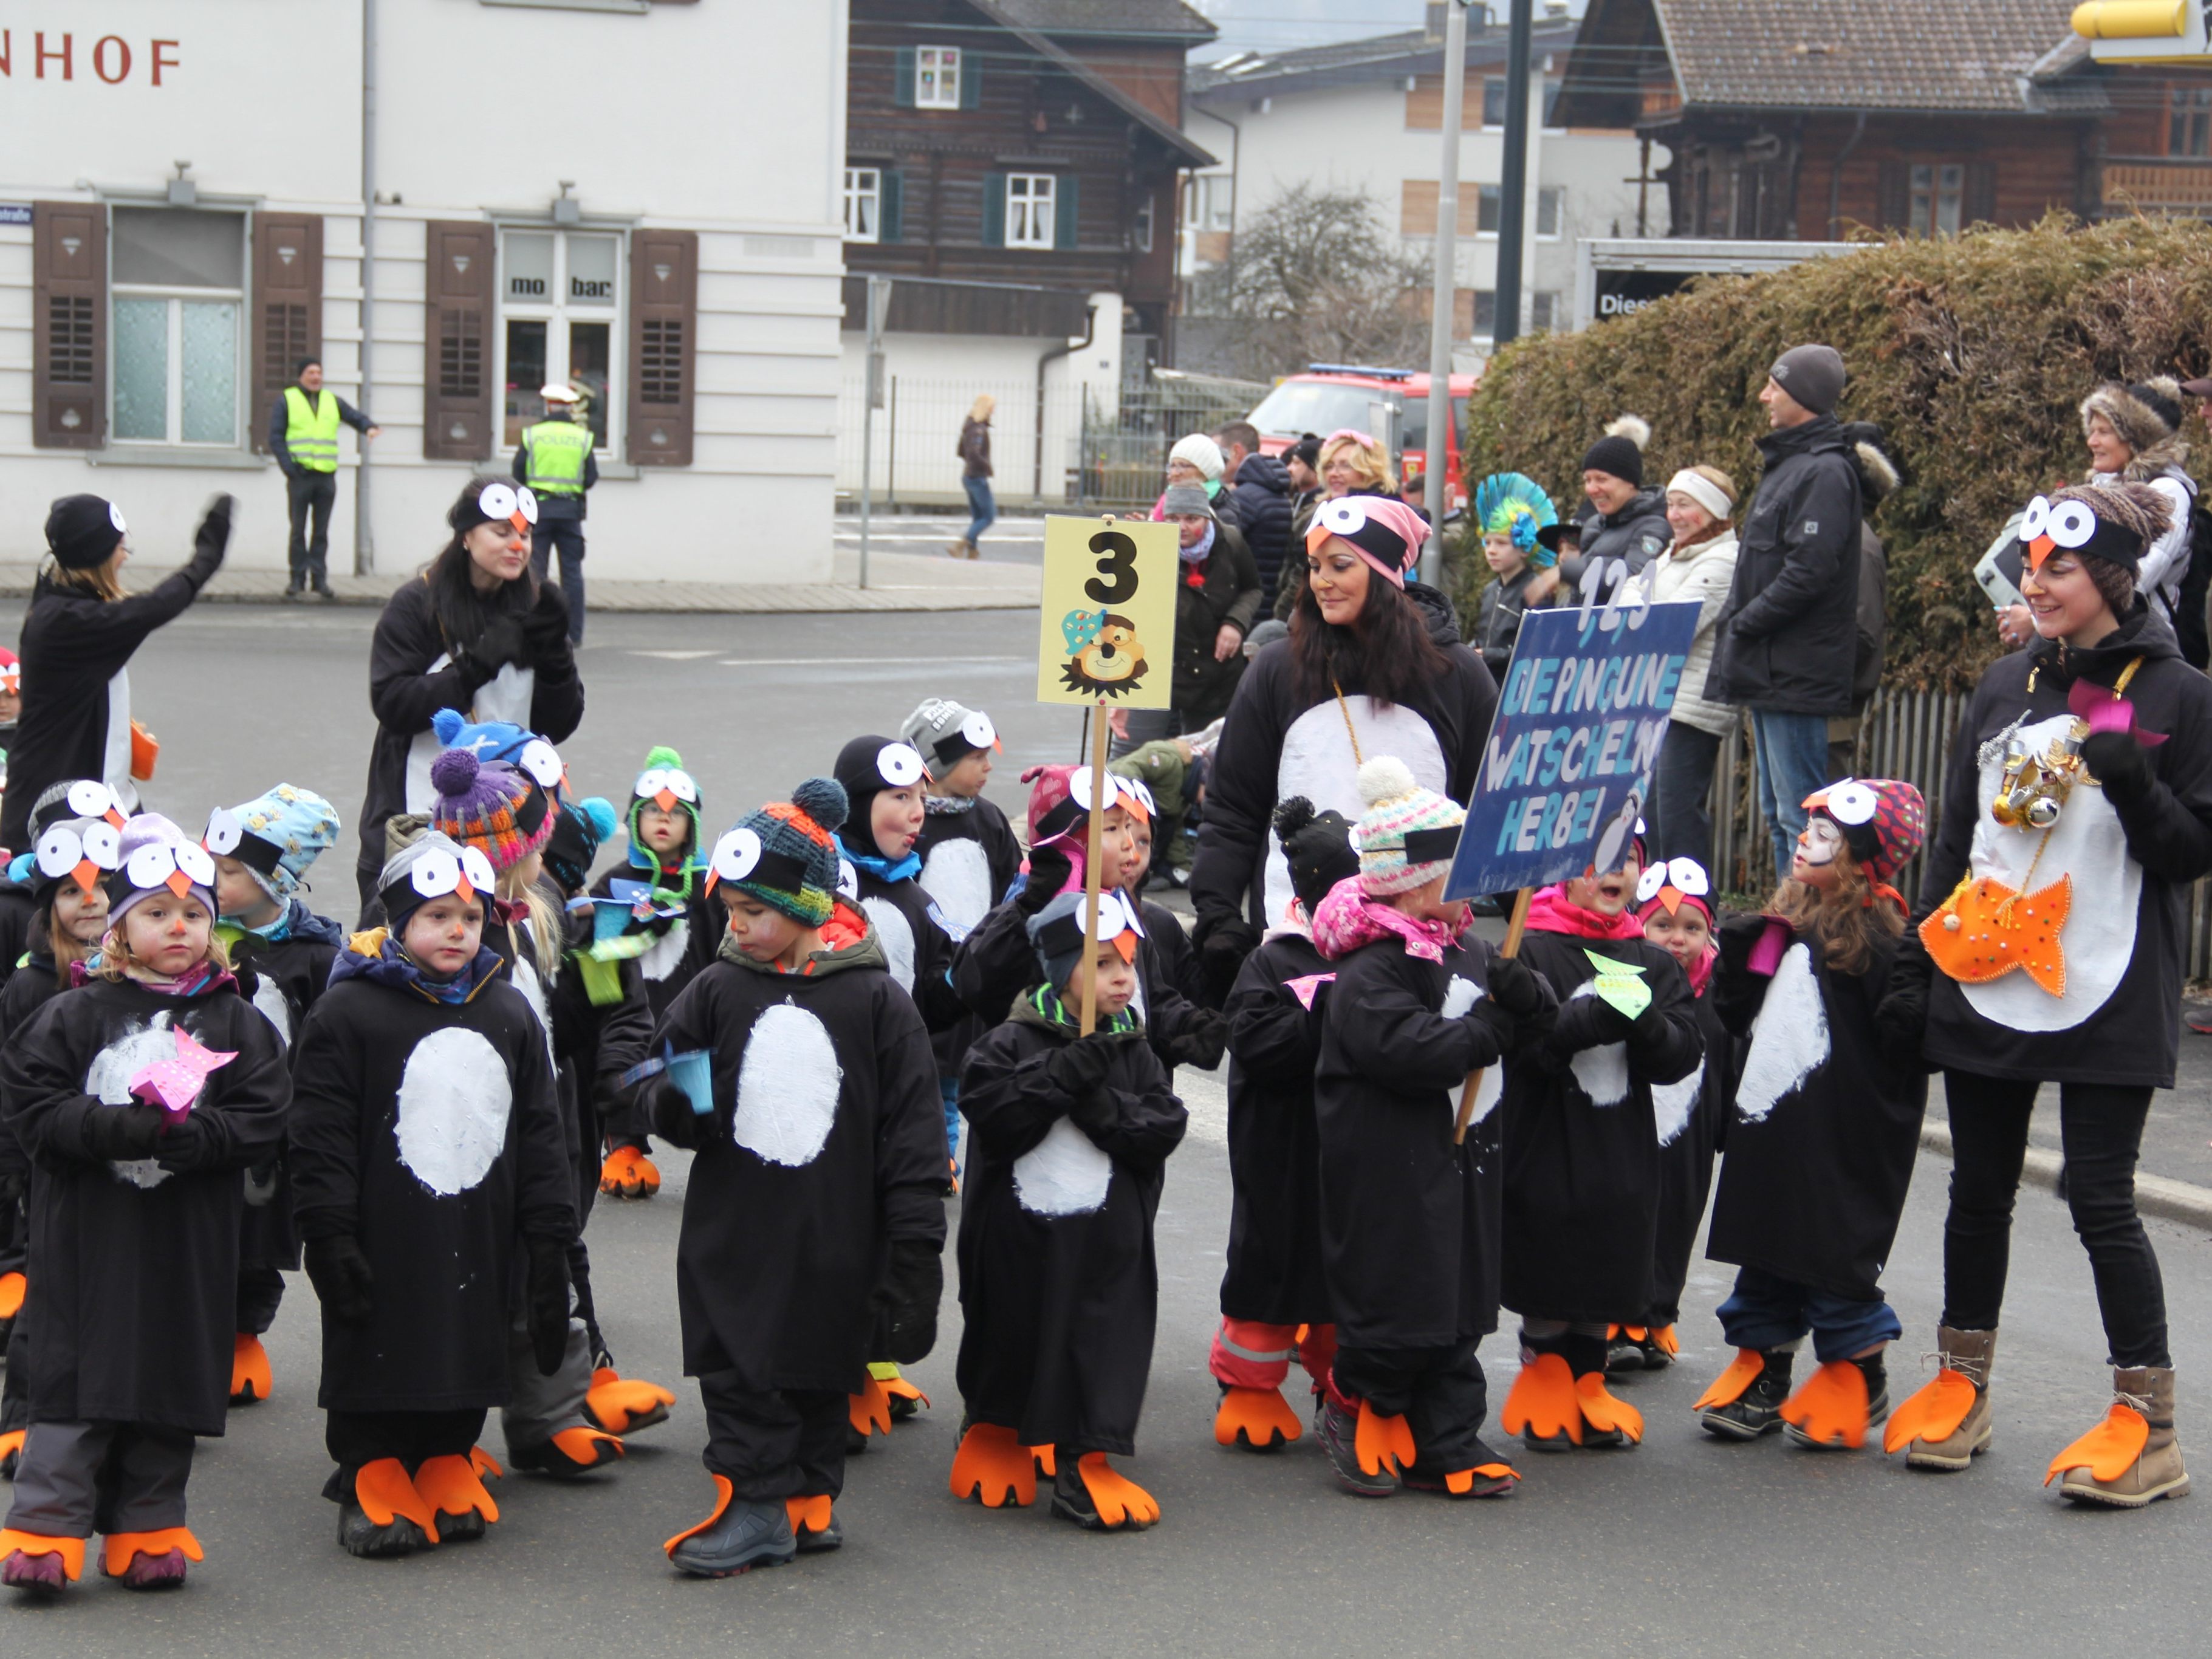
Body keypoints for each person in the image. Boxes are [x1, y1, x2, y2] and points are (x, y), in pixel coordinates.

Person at [1886, 482, 2212, 1507]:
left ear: (2113, 576)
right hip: (1987, 972)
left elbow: (2188, 853)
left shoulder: (2182, 696)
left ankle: (2146, 1424)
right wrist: (1916, 955)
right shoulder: (2004, 683)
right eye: (2031, 565)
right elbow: (1956, 834)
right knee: (1975, 1190)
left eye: (2060, 568)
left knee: (2100, 1196)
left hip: (2109, 980)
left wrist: (2131, 780)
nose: (2038, 582)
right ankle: (1961, 1386)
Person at [651, 778, 947, 1576]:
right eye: (731, 910)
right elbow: (658, 1074)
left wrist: (916, 1242)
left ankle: (803, 1499)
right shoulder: (717, 987)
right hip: (736, 1230)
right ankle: (756, 1499)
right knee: (741, 1366)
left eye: (754, 911)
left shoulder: (877, 1000)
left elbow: (913, 1126)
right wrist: (677, 1102)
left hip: (836, 1226)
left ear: (811, 904)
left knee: (821, 1361)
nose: (736, 925)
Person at [0, 815, 289, 1595]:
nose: (179, 928)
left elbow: (266, 1114)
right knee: (76, 1377)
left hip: (185, 1243)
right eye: (157, 913)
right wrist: (120, 1127)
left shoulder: (237, 1021)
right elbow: (33, 1109)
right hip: (88, 1238)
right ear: (122, 928)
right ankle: (46, 1526)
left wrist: (203, 1136)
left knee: (167, 1377)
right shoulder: (74, 1013)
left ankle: (148, 1520)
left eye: (194, 913)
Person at [288, 829, 576, 1558]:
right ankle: (372, 1464)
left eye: (471, 916)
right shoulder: (348, 1013)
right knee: (382, 1332)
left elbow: (541, 1131)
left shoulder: (505, 1012)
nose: (457, 930)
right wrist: (329, 1231)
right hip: (383, 1223)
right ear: (398, 922)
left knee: (467, 1327)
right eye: (437, 915)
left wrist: (548, 1242)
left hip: (480, 1220)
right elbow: (318, 1131)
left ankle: (448, 1450)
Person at [1307, 756, 1554, 1499]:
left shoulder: (1469, 949)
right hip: (1392, 1169)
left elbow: (1529, 1022)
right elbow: (1408, 1051)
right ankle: (1354, 1405)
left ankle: (1446, 1434)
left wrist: (1526, 995)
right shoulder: (1370, 971)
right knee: (1399, 1298)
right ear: (1410, 882)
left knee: (1459, 1302)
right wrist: (1491, 1026)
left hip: (1464, 1162)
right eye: (1456, 873)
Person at [1692, 781, 1927, 1449]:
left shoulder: (1884, 940)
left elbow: (1903, 1047)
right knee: (1764, 1240)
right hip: (1771, 1121)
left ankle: (1855, 1369)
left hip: (1840, 1129)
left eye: (1825, 835)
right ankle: (1760, 1366)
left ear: (1862, 856)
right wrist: (1737, 964)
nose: (1803, 840)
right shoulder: (1787, 918)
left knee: (1827, 1250)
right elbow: (1739, 1018)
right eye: (1807, 829)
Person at [1190, 494, 1496, 1001]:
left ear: (1385, 573)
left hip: (1421, 944)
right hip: (1295, 938)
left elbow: (1488, 813)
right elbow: (1233, 809)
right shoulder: (1276, 669)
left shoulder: (1458, 675)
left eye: (1340, 565)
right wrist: (1218, 916)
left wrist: (1539, 930)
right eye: (1314, 566)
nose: (1321, 581)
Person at [949, 887, 1186, 1530]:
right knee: (1013, 1326)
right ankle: (995, 1429)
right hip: (1018, 1234)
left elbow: (1161, 1125)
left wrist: (1100, 1104)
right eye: (1103, 962)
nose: (1121, 977)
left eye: (1127, 963)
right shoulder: (1008, 1041)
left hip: (1105, 1239)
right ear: (1059, 968)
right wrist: (1057, 1076)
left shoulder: (1132, 1048)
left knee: (1100, 1337)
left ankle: (1088, 1457)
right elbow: (992, 1112)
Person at [1495, 842, 1702, 1454]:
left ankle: (1585, 1382)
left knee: (1603, 1266)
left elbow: (1680, 1055)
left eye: (1627, 860)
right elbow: (1523, 1047)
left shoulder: (1651, 959)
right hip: (1546, 1143)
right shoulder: (1529, 948)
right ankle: (1544, 1377)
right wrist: (1589, 1021)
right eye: (1597, 860)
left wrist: (1645, 1024)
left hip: (1621, 1153)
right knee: (1549, 1262)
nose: (1614, 873)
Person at [355, 477, 581, 915]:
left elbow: (558, 724)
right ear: (466, 535)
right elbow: (393, 703)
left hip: (510, 825)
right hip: (420, 816)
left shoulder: (534, 605)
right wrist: (476, 666)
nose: (517, 545)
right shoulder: (416, 606)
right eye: (502, 532)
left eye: (526, 534)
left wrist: (556, 659)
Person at [1207, 798, 1359, 1452]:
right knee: (1270, 1268)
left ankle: (1342, 1383)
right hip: (1281, 1150)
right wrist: (1326, 1010)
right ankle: (1249, 1385)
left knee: (1342, 1275)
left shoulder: (1374, 953)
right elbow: (1255, 1042)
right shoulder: (1273, 961)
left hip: (1351, 1150)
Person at [205, 784, 348, 1408]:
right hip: (202, 1113)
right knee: (199, 1227)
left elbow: (329, 1036)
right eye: (211, 864)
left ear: (274, 879)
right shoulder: (197, 933)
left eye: (230, 870)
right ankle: (190, 1332)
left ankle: (242, 1334)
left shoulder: (315, 952)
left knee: (258, 1233)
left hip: (276, 1126)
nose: (212, 879)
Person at [1705, 344, 1865, 886]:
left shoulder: (1823, 472)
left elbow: (1808, 572)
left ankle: (1807, 938)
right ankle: (1787, 928)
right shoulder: (1795, 465)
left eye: (1775, 385)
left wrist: (1745, 622)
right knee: (1782, 818)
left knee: (1801, 821)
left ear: (1803, 396)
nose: (1764, 395)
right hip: (1775, 668)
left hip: (1794, 670)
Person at [0, 495, 230, 855]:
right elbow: (152, 608)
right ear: (97, 557)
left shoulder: (64, 595)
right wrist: (207, 557)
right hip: (55, 810)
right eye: (121, 548)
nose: (124, 556)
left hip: (101, 798)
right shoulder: (68, 621)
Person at [0, 807, 122, 1481]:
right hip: (47, 1159)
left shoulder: (119, 981)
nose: (91, 901)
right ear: (49, 904)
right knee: (44, 1299)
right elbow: (14, 1081)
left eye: (101, 888)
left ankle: (104, 1418)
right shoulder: (31, 983)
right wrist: (14, 1166)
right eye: (74, 891)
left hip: (106, 1154)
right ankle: (20, 1418)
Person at [589, 745, 720, 1199]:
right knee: (626, 1069)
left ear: (692, 824)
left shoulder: (708, 885)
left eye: (676, 814)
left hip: (691, 1003)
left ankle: (715, 1141)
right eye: (651, 812)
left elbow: (725, 942)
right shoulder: (615, 883)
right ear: (635, 819)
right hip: (633, 1008)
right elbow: (598, 950)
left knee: (701, 1077)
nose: (663, 821)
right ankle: (624, 1146)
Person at [1621, 857, 1733, 1370]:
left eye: (1692, 928)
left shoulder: (1718, 992)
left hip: (1692, 1132)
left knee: (1677, 1218)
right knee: (1630, 1215)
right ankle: (1617, 1318)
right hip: (1633, 1128)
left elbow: (1732, 1055)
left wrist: (1727, 1127)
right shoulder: (1625, 980)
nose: (1677, 939)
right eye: (1662, 925)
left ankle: (1658, 1314)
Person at [1618, 467, 1741, 872]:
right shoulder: (1675, 555)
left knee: (1676, 815)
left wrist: (1639, 603)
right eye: (1670, 503)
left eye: (1684, 504)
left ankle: (1694, 908)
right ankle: (1664, 908)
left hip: (1689, 710)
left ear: (1711, 511)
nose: (1673, 514)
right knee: (1652, 814)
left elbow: (1671, 630)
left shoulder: (1723, 560)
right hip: (1660, 702)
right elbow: (1626, 594)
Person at [1116, 483, 1260, 759]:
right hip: (1157, 667)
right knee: (1132, 753)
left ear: (1206, 518)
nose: (1181, 527)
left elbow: (1252, 587)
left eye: (1191, 519)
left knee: (1202, 758)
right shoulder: (1149, 545)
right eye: (1173, 519)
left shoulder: (1230, 542)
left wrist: (1235, 622)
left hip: (1213, 673)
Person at [269, 357, 378, 600]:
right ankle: (297, 579)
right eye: (311, 372)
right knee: (298, 530)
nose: (316, 377)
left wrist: (369, 427)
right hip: (300, 476)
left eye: (319, 372)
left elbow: (354, 416)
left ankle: (319, 581)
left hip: (326, 478)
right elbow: (276, 438)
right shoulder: (287, 400)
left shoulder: (332, 401)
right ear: (301, 376)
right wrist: (290, 470)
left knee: (321, 532)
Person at [1830, 425, 1901, 779]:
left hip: (1827, 712)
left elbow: (1861, 634)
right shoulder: (1845, 538)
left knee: (1816, 820)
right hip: (1821, 704)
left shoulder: (1855, 544)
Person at [513, 385, 597, 645]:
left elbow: (518, 473)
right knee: (572, 573)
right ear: (570, 408)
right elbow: (591, 477)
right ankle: (574, 634)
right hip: (570, 512)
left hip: (538, 511)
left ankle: (537, 631)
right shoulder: (582, 437)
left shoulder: (532, 435)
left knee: (535, 572)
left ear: (548, 407)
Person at [1472, 473, 1560, 681]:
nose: (1491, 551)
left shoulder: (1536, 590)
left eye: (1501, 543)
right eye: (1488, 542)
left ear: (1525, 547)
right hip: (1488, 683)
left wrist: (1488, 655)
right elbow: (1482, 638)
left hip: (1516, 686)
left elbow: (1538, 648)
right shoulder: (1490, 590)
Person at [1217, 420, 1293, 607]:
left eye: (1218, 454)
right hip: (1267, 601)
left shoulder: (1244, 498)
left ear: (1236, 452)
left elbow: (1221, 550)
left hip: (1247, 606)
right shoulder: (1274, 490)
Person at [950, 395, 995, 561]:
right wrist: (986, 466)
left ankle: (973, 552)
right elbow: (973, 453)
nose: (993, 410)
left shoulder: (969, 427)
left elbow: (961, 451)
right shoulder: (978, 429)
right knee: (989, 516)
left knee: (978, 517)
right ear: (985, 408)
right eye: (992, 407)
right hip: (977, 477)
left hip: (968, 476)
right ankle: (961, 545)